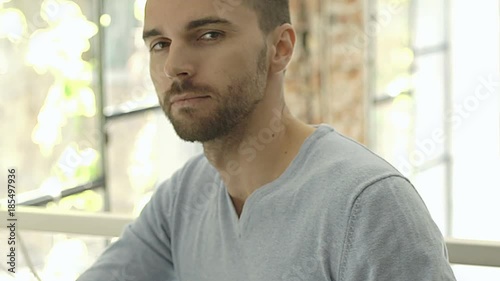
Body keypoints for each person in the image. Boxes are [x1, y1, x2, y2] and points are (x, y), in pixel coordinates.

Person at [77, 0, 457, 280]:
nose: (175, 65)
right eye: (160, 44)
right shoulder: (183, 197)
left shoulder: (369, 205)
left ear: (280, 48)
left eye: (209, 34)